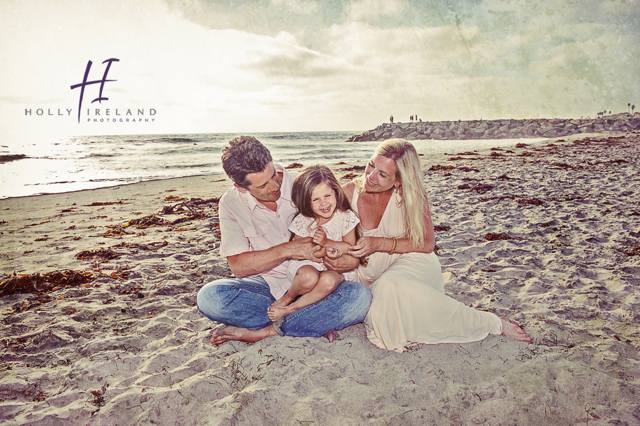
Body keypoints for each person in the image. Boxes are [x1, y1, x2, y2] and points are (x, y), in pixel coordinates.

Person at [343, 139, 532, 352]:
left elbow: (426, 243)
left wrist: (379, 243)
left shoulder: (410, 195)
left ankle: (489, 322)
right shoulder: (349, 193)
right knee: (383, 294)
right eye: (371, 165)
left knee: (389, 287)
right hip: (367, 274)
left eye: (382, 174)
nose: (370, 176)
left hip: (411, 261)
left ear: (398, 181)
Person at [197, 136, 371, 345]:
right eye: (262, 186)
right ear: (241, 187)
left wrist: (340, 260)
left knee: (360, 298)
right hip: (270, 288)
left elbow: (350, 255)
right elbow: (239, 268)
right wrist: (287, 250)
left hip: (322, 286)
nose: (274, 187)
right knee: (210, 298)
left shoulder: (305, 185)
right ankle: (309, 321)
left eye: (274, 176)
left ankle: (268, 331)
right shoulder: (231, 203)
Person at [267, 165, 360, 321]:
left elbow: (350, 248)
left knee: (328, 280)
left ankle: (292, 309)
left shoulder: (345, 217)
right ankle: (289, 297)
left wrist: (326, 242)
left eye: (327, 196)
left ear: (336, 193)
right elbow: (304, 252)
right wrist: (324, 251)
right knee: (308, 277)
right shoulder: (303, 221)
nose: (323, 203)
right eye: (315, 199)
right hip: (309, 264)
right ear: (305, 201)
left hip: (336, 269)